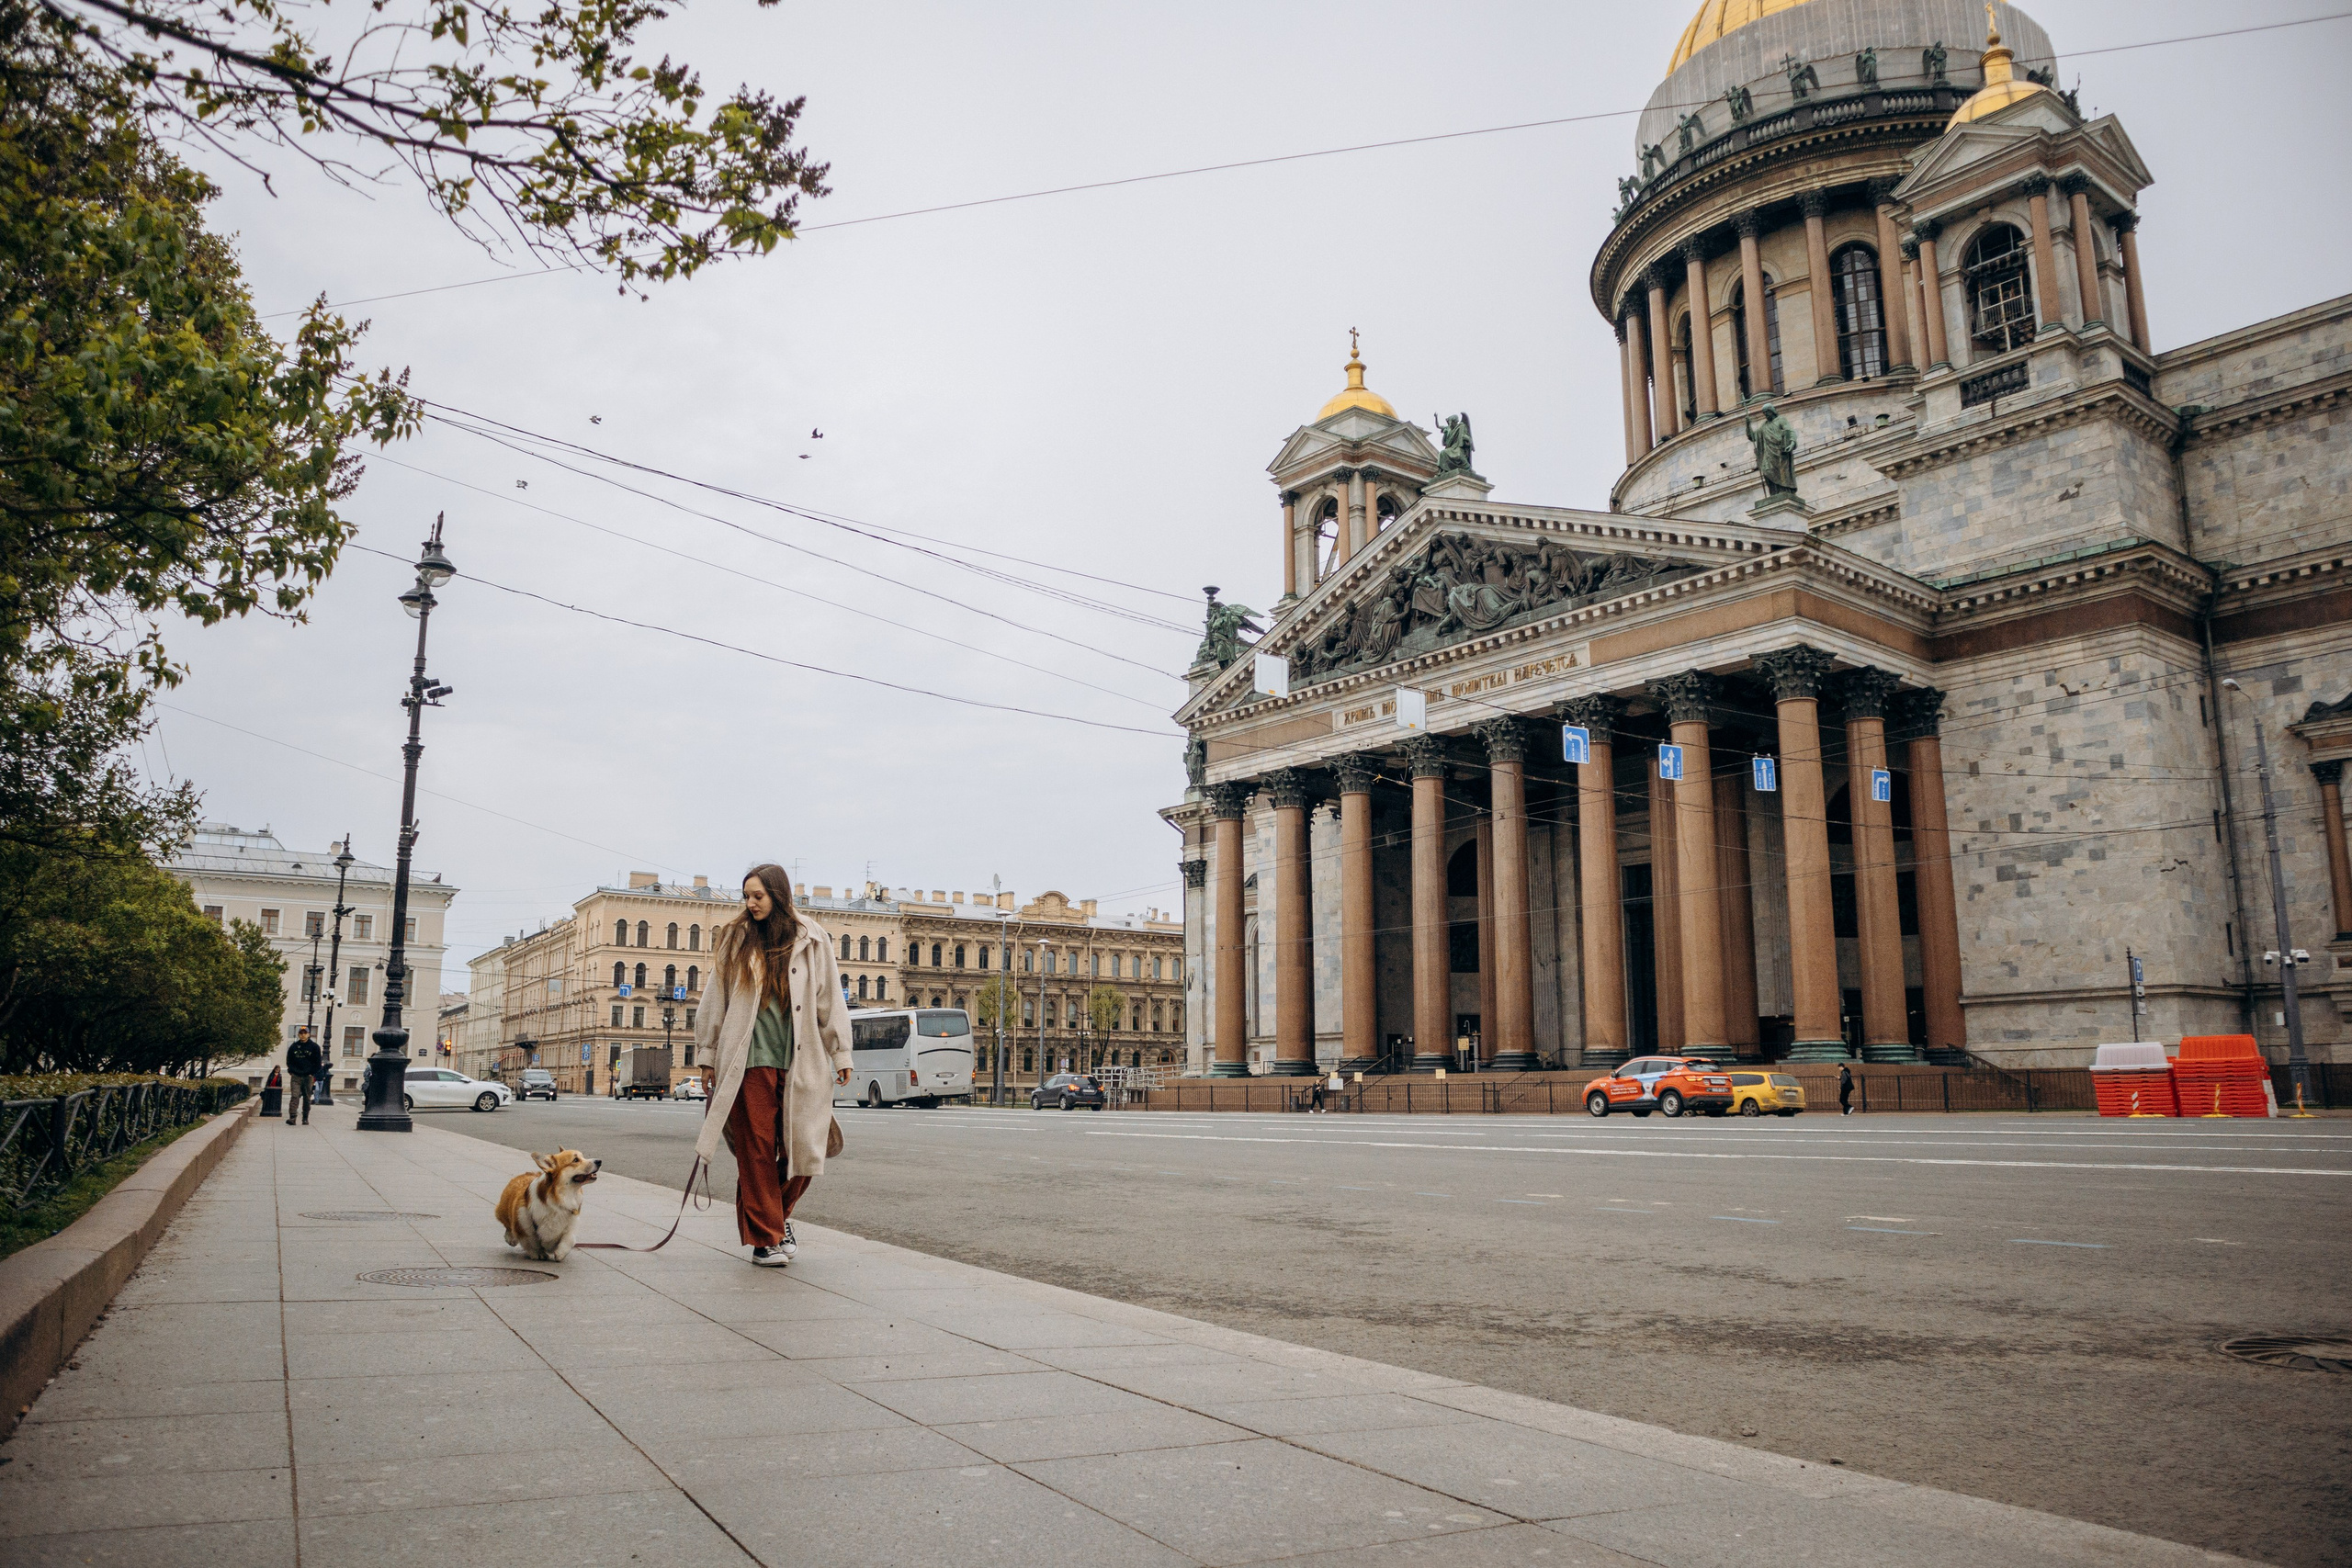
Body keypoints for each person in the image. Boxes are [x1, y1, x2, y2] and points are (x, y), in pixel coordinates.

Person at [693, 863, 853, 1267]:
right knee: (757, 1151)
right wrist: (708, 1055)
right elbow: (716, 999)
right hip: (747, 1062)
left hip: (802, 1061)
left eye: (758, 896)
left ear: (778, 895)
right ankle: (766, 1240)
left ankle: (775, 1219)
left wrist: (841, 1052)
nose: (751, 903)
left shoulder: (812, 938)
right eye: (747, 896)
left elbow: (829, 998)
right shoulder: (736, 940)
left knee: (806, 1150)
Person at [285, 1029, 322, 1124]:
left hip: (308, 1076)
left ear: (309, 1034)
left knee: (307, 1097)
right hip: (296, 1076)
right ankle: (292, 1117)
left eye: (305, 1033)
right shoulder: (294, 1046)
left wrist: (312, 1073)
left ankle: (305, 1117)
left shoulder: (314, 1047)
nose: (303, 1035)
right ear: (298, 1034)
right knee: (294, 1096)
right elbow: (289, 1060)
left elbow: (318, 1063)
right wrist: (292, 1071)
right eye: (301, 1033)